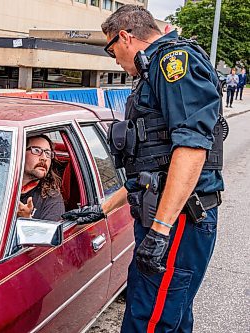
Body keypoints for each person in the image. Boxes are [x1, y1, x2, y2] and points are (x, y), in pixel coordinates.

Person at [66, 5, 224, 332]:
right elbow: (153, 170)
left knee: (148, 322)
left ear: (125, 37)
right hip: (168, 216)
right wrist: (102, 208)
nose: (114, 60)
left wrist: (161, 232)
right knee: (170, 317)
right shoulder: (152, 72)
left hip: (180, 219)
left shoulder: (172, 64)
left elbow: (192, 149)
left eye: (111, 50)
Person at [17, 135, 65, 221]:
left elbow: (49, 234)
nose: (44, 158)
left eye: (48, 153)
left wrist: (26, 219)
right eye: (36, 150)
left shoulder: (51, 197)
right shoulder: (0, 185)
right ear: (20, 153)